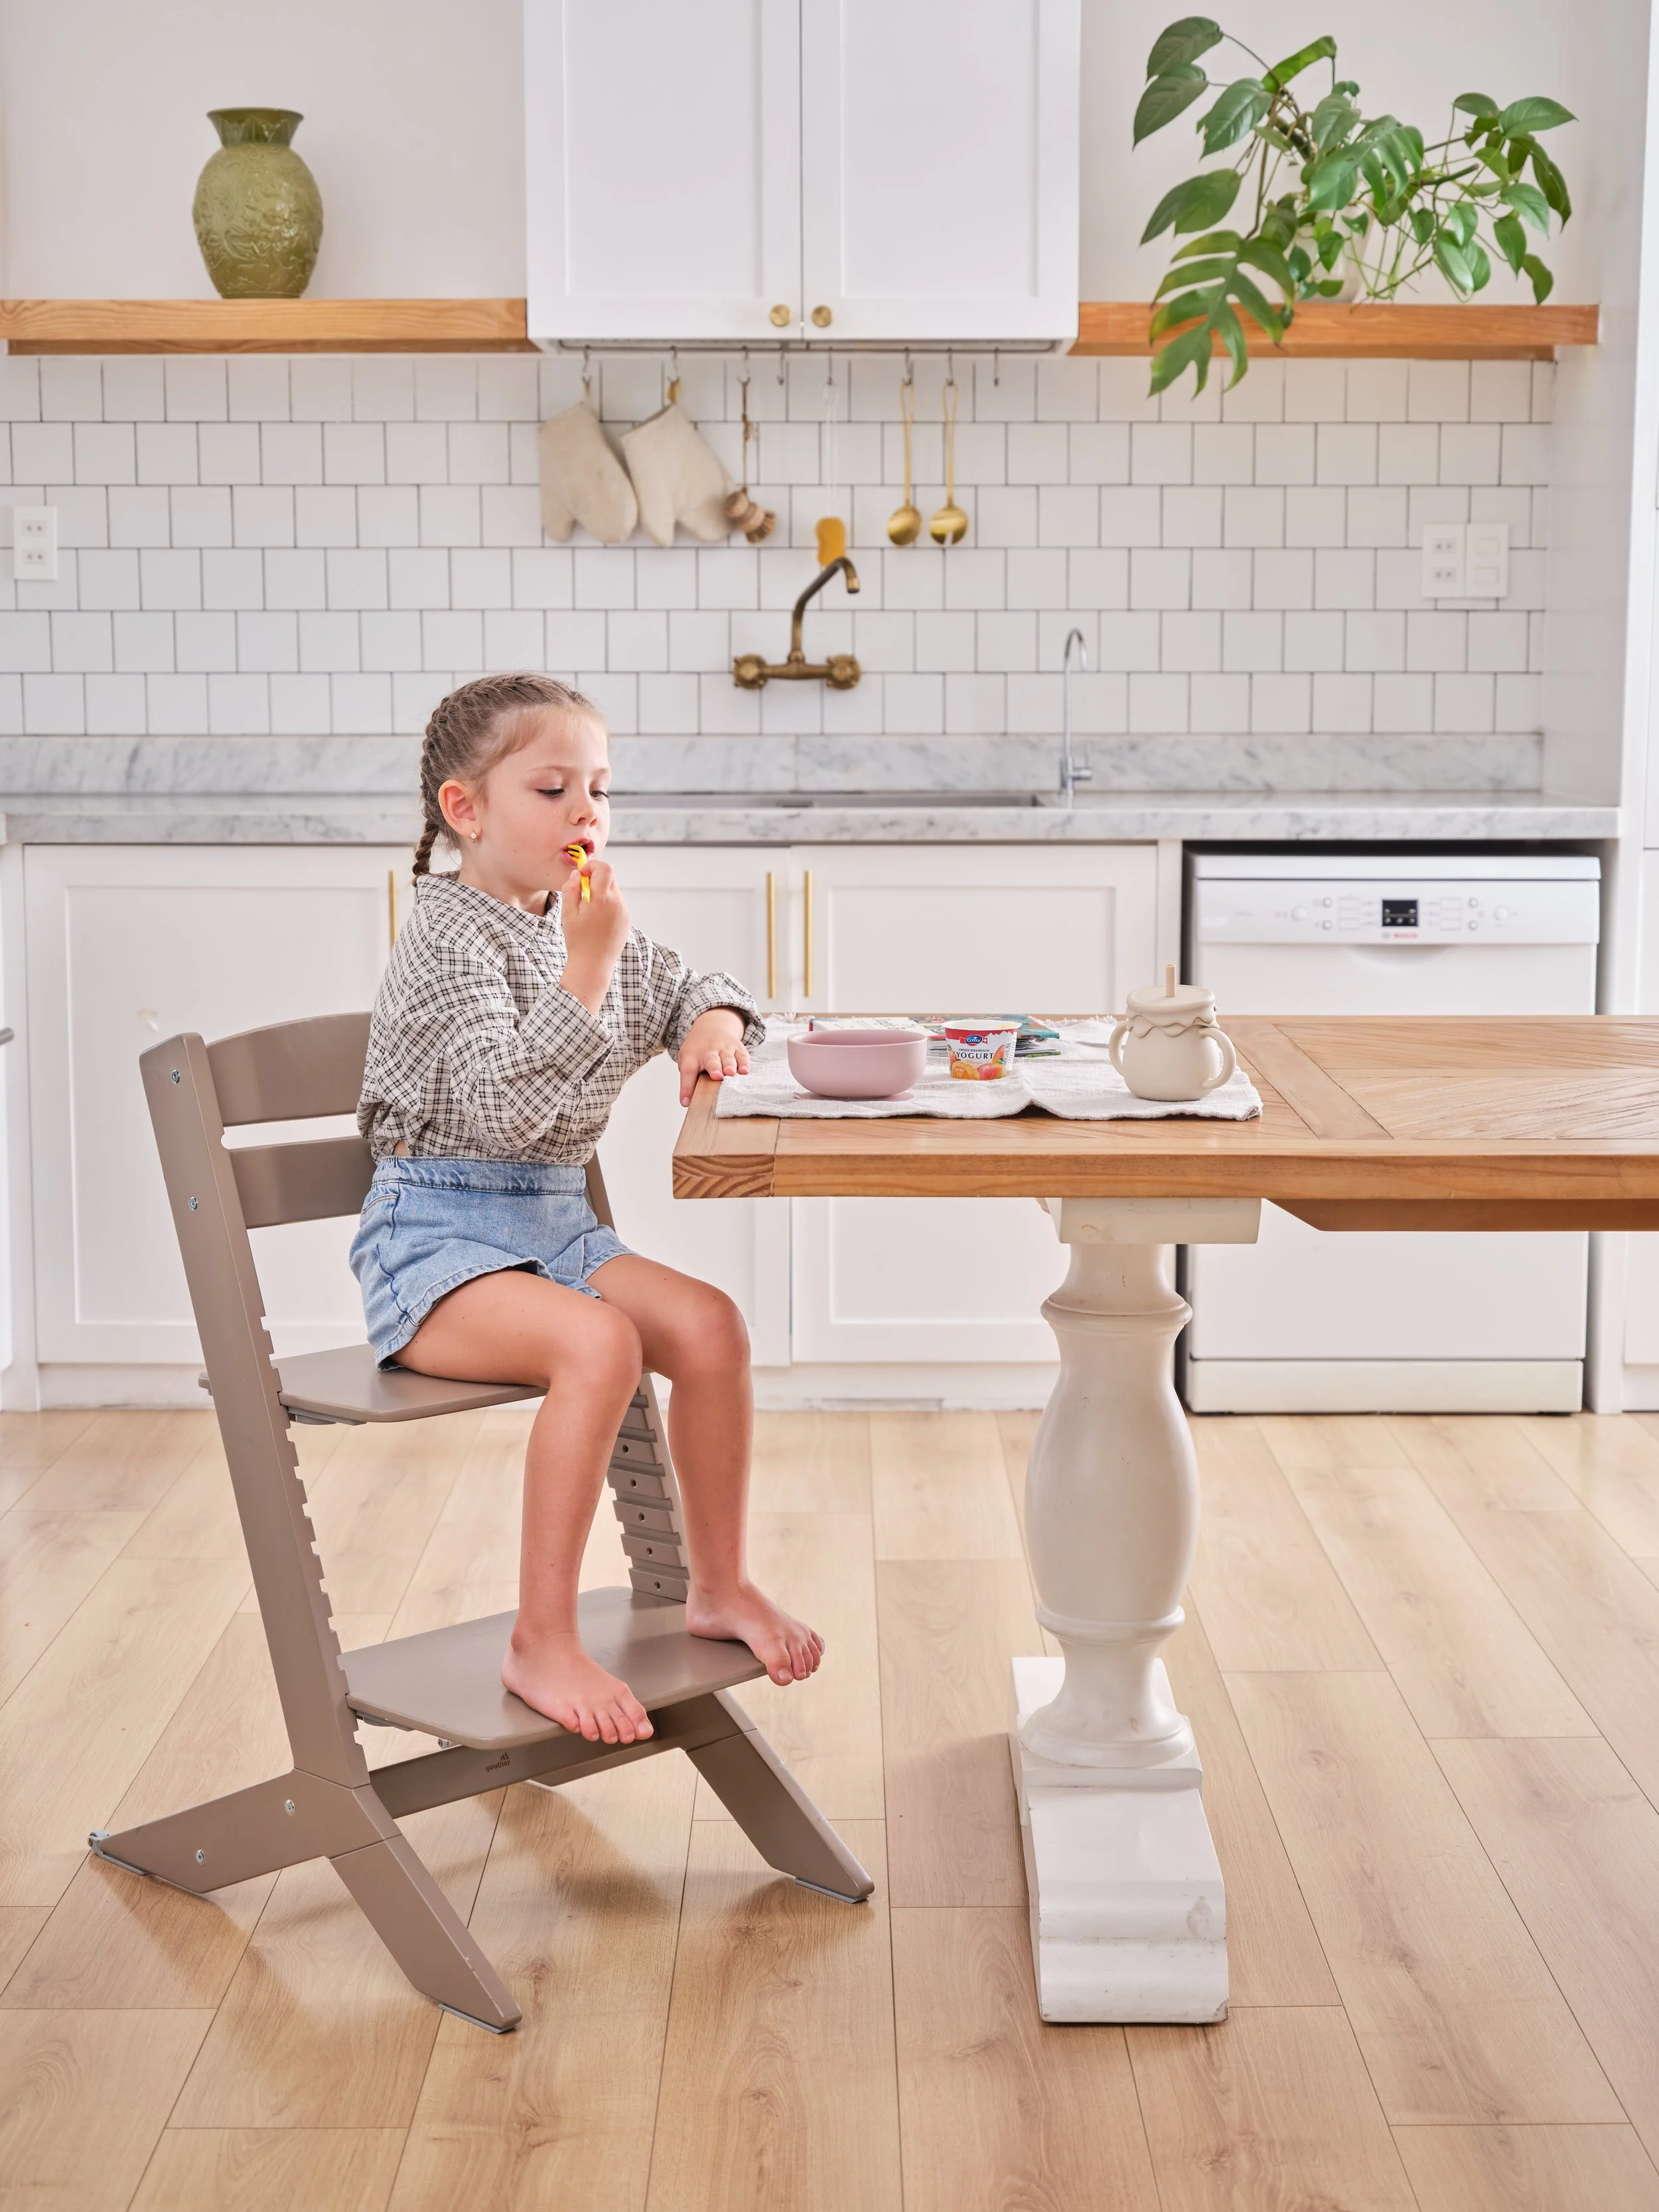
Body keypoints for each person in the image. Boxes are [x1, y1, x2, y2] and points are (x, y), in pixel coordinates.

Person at [351, 672, 822, 1747]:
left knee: (710, 1327)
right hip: (435, 1245)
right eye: (554, 787)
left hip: (552, 1229)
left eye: (600, 790)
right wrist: (592, 963)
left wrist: (709, 1020)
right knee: (602, 1345)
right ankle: (542, 1638)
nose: (587, 815)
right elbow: (503, 1109)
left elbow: (693, 981)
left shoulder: (567, 920)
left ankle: (719, 1584)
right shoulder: (449, 941)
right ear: (465, 810)